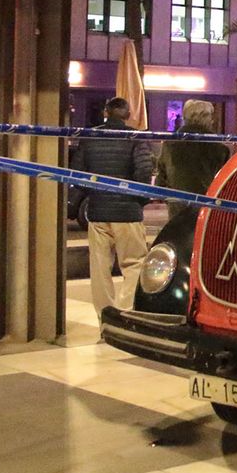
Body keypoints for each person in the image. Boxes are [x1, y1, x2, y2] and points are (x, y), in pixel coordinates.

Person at [71, 96, 156, 314]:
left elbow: (78, 175)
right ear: (127, 115)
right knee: (134, 264)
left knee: (100, 271)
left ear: (106, 113)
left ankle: (105, 318)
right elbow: (144, 171)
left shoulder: (91, 138)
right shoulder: (135, 138)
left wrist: (91, 197)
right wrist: (139, 200)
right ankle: (125, 312)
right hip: (128, 213)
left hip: (98, 213)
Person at [156, 99, 231, 218]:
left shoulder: (169, 145)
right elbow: (226, 185)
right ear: (207, 119)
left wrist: (171, 200)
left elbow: (161, 181)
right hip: (208, 210)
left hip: (178, 209)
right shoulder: (219, 149)